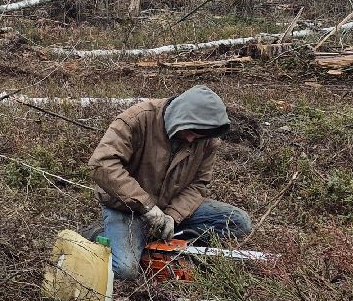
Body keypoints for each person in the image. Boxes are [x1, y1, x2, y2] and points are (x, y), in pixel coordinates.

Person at [88, 85, 253, 280]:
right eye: (190, 130)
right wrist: (146, 206)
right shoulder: (138, 119)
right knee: (124, 270)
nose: (192, 139)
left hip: (168, 206)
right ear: (179, 116)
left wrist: (172, 217)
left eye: (198, 135)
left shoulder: (207, 140)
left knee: (238, 223)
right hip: (126, 207)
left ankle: (155, 236)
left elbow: (199, 184)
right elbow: (102, 164)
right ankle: (100, 233)